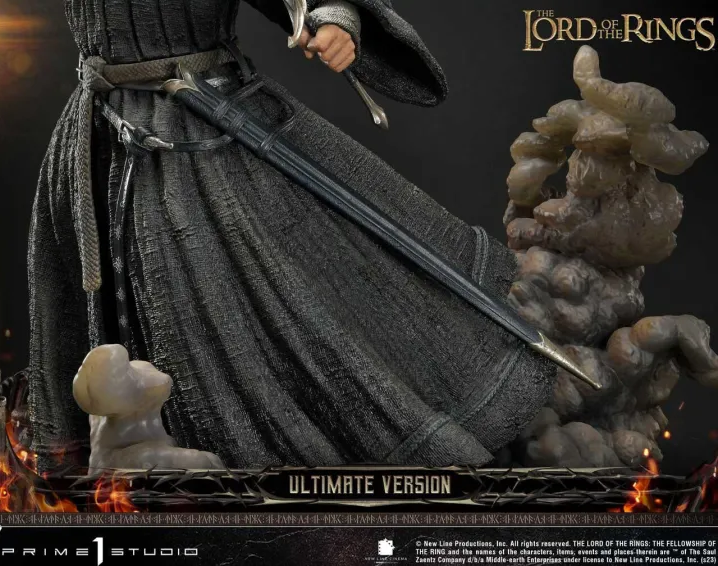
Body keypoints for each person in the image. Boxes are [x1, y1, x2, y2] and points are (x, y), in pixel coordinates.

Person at [28, 0, 556, 472]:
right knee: (84, 306)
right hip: (94, 134)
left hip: (197, 118)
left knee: (229, 307)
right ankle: (111, 464)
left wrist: (336, 21)